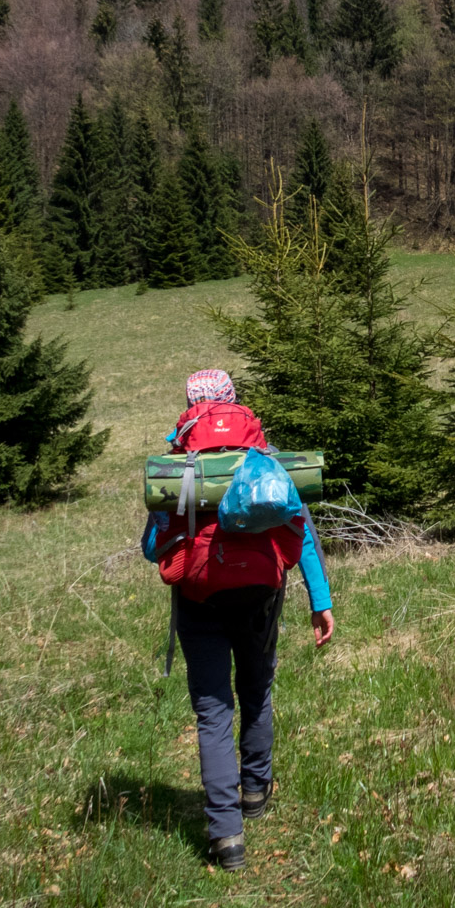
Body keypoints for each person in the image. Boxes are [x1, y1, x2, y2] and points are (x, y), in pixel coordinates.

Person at [158, 369, 333, 871]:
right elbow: (299, 530)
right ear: (236, 404)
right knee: (257, 689)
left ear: (191, 407)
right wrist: (320, 601)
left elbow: (154, 548)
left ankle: (226, 837)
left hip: (199, 599)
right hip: (260, 595)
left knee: (213, 712)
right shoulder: (265, 459)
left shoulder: (176, 466)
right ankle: (255, 791)